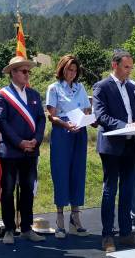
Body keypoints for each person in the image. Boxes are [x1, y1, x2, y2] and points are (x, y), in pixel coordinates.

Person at [92, 50, 135, 252]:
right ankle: (107, 236)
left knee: (128, 190)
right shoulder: (101, 86)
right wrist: (125, 126)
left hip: (131, 146)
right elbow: (102, 116)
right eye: (126, 67)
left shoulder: (132, 88)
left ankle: (126, 233)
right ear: (115, 65)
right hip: (112, 147)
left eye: (131, 67)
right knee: (110, 189)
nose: (129, 71)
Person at [0, 56, 46, 244]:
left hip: (31, 151)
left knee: (27, 190)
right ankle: (9, 229)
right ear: (13, 73)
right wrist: (19, 142)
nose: (27, 74)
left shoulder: (34, 95)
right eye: (24, 71)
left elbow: (41, 119)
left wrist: (36, 140)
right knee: (7, 190)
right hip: (11, 151)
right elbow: (1, 121)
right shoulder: (3, 95)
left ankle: (26, 228)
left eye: (28, 71)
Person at [46, 54, 91, 238]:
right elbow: (52, 115)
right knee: (61, 172)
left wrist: (88, 117)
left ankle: (75, 218)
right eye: (68, 70)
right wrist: (66, 124)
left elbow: (88, 109)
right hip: (62, 132)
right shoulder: (54, 88)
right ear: (62, 69)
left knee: (78, 173)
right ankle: (59, 219)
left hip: (79, 131)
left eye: (74, 70)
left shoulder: (80, 88)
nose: (72, 73)